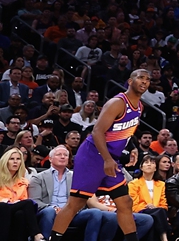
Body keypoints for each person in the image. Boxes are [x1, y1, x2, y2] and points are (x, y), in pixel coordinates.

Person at [46, 68, 150, 241]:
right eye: (141, 77)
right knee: (76, 203)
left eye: (148, 79)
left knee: (125, 202)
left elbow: (125, 130)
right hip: (93, 156)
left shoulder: (139, 106)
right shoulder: (117, 103)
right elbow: (97, 131)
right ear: (131, 81)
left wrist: (132, 147)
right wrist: (107, 159)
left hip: (110, 158)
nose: (145, 81)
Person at [31, 145, 111, 241]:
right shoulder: (38, 178)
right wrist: (54, 208)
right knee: (49, 211)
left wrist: (71, 210)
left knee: (95, 213)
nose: (63, 157)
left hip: (71, 213)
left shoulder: (77, 177)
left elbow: (82, 200)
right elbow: (35, 201)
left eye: (65, 155)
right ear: (50, 159)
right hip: (49, 212)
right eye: (59, 154)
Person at [0, 146, 40, 240]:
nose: (15, 162)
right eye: (12, 159)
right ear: (5, 161)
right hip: (2, 208)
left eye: (18, 159)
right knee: (4, 206)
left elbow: (23, 199)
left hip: (13, 209)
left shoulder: (23, 182)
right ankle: (37, 234)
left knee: (20, 214)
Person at [129, 154, 169, 241]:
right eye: (146, 162)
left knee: (158, 214)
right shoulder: (133, 184)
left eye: (152, 163)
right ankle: (164, 238)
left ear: (156, 168)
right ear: (141, 167)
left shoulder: (161, 184)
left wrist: (155, 208)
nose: (149, 164)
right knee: (158, 214)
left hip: (157, 212)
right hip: (140, 211)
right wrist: (147, 207)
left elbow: (163, 204)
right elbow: (133, 204)